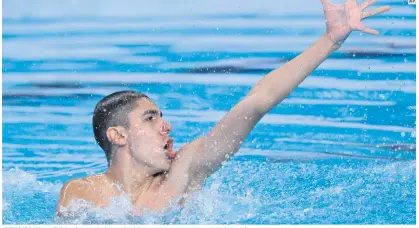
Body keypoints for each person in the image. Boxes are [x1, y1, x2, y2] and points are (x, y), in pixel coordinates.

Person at [56, 0, 391, 217]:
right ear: (118, 135)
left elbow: (255, 103)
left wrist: (330, 40)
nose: (166, 125)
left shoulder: (184, 172)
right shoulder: (79, 194)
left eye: (161, 116)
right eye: (150, 117)